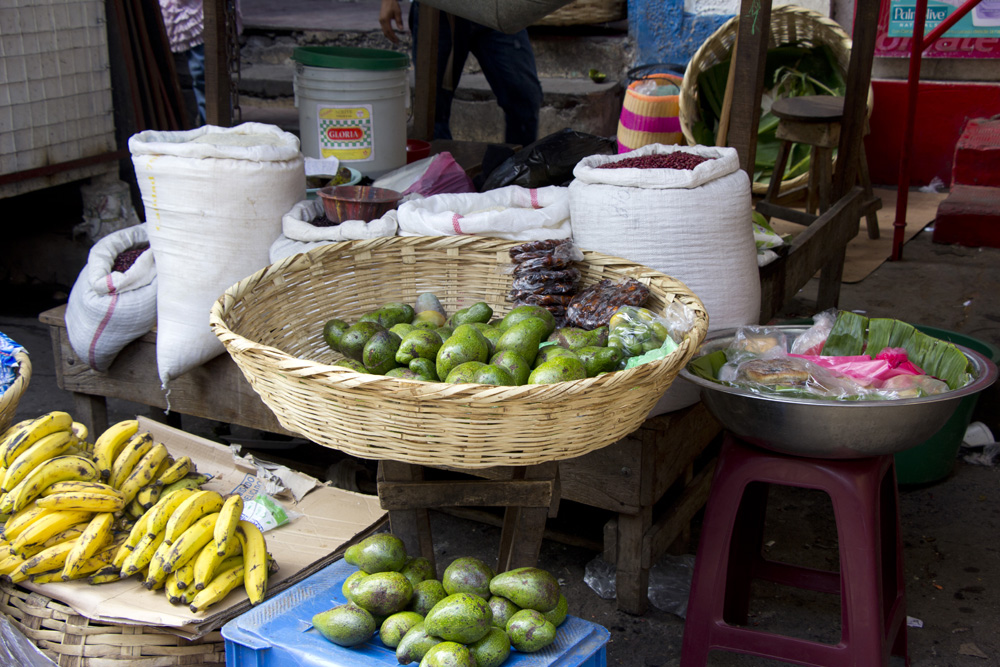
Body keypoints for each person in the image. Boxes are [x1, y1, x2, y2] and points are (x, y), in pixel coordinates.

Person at [379, 0, 544, 146]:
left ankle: (519, 174)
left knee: (524, 96)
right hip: (439, 11)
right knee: (433, 112)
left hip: (497, 7)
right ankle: (445, 176)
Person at [158, 0, 207, 126]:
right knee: (171, 76)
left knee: (203, 73)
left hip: (198, 12)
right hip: (168, 11)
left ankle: (210, 125)